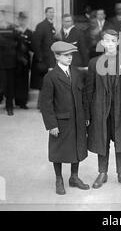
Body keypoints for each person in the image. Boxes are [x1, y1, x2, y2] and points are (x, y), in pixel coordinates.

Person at [85, 29, 121, 189]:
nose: (109, 44)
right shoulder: (94, 63)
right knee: (101, 140)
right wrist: (88, 112)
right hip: (100, 109)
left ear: (117, 42)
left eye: (113, 41)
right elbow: (89, 90)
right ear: (102, 43)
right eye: (106, 41)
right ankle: (102, 172)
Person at [39, 41, 89, 195]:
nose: (69, 58)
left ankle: (74, 177)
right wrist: (51, 125)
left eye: (71, 55)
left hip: (77, 119)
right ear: (56, 56)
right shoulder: (51, 77)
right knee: (58, 150)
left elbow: (83, 97)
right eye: (66, 55)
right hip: (61, 122)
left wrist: (86, 116)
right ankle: (59, 179)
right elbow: (45, 104)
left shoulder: (76, 73)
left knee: (77, 148)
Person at [30, 7, 58, 105]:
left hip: (51, 58)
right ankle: (42, 105)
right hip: (44, 59)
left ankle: (46, 104)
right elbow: (36, 43)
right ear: (45, 13)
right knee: (43, 83)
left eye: (53, 12)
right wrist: (40, 58)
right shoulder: (42, 26)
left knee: (48, 82)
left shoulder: (51, 26)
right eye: (49, 12)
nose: (52, 14)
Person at [14, 12, 32, 109]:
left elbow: (32, 46)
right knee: (14, 81)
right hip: (15, 60)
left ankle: (23, 102)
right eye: (20, 19)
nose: (22, 21)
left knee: (24, 82)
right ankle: (15, 101)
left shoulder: (29, 32)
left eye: (24, 19)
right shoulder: (15, 31)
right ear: (18, 20)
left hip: (25, 60)